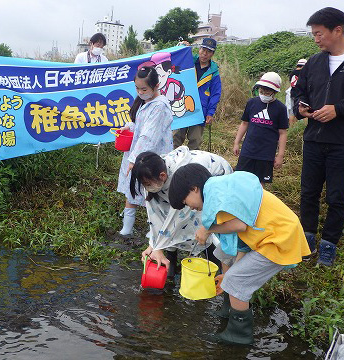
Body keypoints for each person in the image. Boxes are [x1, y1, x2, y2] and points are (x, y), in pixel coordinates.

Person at [168, 164, 310, 345]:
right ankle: (229, 308)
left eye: (186, 202)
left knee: (237, 280)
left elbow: (240, 225)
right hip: (272, 233)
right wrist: (227, 276)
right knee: (225, 257)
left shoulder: (216, 195)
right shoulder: (222, 191)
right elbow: (241, 242)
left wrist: (208, 229)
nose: (191, 208)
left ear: (194, 189)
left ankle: (239, 334)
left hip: (278, 238)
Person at [293, 7, 344, 266]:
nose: (316, 39)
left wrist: (339, 109)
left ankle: (329, 245)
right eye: (313, 34)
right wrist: (300, 107)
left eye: (319, 34)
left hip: (343, 142)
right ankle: (307, 239)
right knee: (308, 192)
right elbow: (299, 91)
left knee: (336, 196)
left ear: (338, 30)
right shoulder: (314, 62)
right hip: (313, 138)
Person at [129, 146, 233, 275]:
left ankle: (218, 270)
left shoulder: (180, 175)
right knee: (170, 224)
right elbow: (156, 215)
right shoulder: (152, 174)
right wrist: (154, 245)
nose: (146, 188)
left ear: (162, 175)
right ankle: (170, 268)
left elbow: (179, 217)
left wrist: (158, 246)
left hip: (214, 178)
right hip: (189, 186)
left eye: (147, 184)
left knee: (196, 224)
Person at [117, 66, 173, 236]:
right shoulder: (147, 102)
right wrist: (129, 126)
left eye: (144, 89)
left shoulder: (159, 106)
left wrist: (134, 159)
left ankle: (154, 228)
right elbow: (142, 126)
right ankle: (127, 227)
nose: (140, 92)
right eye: (137, 88)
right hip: (140, 152)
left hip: (152, 156)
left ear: (156, 86)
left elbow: (148, 136)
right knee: (133, 188)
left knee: (152, 190)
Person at [233, 72, 288, 185]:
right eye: (261, 90)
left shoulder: (281, 108)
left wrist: (280, 155)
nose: (264, 93)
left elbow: (282, 133)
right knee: (240, 179)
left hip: (266, 154)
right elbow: (244, 123)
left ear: (275, 92)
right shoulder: (252, 103)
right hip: (248, 150)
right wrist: (236, 142)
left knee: (260, 183)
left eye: (267, 91)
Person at [173, 38, 222, 150]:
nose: (204, 54)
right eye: (203, 49)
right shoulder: (189, 61)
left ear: (212, 54)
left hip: (200, 110)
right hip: (182, 106)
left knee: (195, 142)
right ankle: (171, 164)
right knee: (175, 138)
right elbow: (175, 60)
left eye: (208, 51)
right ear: (199, 49)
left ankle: (191, 166)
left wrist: (210, 113)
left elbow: (215, 94)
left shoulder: (213, 71)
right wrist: (180, 46)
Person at [285, 59, 306, 126]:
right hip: (301, 94)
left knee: (292, 112)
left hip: (292, 93)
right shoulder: (304, 72)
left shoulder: (292, 73)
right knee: (305, 110)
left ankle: (291, 127)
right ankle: (304, 127)